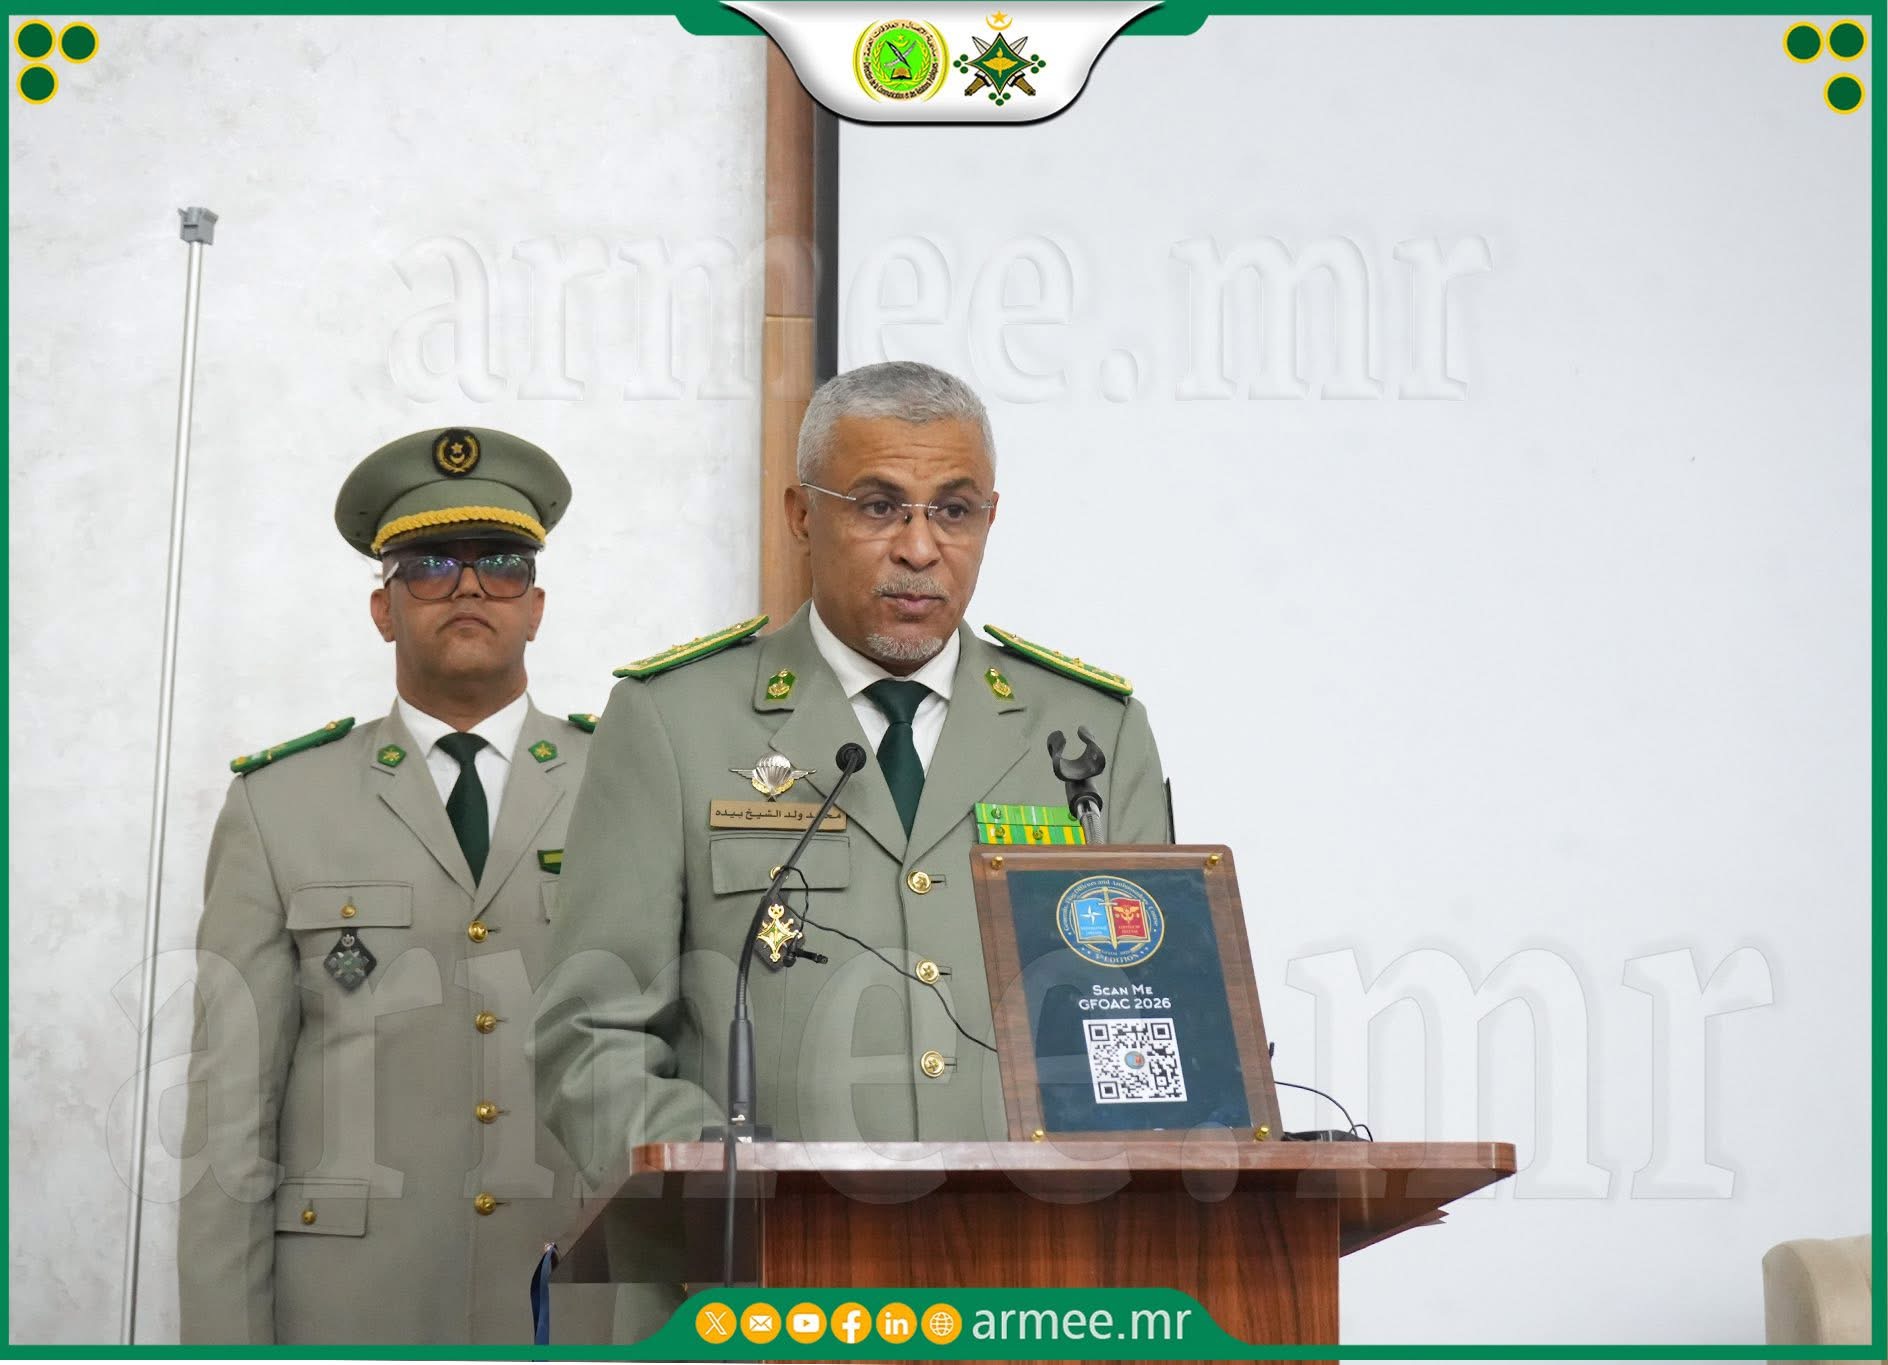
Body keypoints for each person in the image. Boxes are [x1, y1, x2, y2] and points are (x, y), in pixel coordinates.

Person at [535, 361, 1170, 1188]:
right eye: (878, 507)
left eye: (953, 510)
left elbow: (1147, 1023)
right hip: (763, 1254)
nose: (919, 548)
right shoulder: (672, 723)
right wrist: (731, 1191)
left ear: (990, 518)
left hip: (1036, 1248)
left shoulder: (1094, 735)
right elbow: (592, 1036)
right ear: (802, 515)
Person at [177, 426, 614, 1344]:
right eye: (429, 566)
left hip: (577, 1295)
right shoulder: (278, 805)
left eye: (501, 564)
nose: (468, 587)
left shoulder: (626, 786)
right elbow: (229, 1120)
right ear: (383, 609)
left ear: (537, 606)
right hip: (348, 1309)